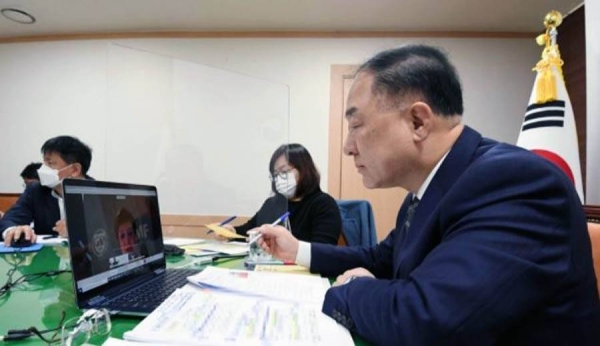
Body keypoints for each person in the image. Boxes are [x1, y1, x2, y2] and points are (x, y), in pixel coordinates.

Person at [256, 45, 600, 344]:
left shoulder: (517, 182)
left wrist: (349, 291)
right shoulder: (426, 191)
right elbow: (382, 259)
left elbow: (429, 322)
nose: (347, 147)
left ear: (418, 121)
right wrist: (296, 250)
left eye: (356, 126)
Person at [233, 143, 341, 245]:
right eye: (275, 175)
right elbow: (248, 230)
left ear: (304, 170)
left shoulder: (323, 204)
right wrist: (231, 231)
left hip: (302, 265)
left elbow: (323, 250)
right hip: (268, 263)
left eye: (284, 172)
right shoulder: (272, 203)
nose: (279, 179)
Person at [1, 136, 93, 246]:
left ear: (74, 170)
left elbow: (111, 232)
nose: (42, 170)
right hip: (46, 258)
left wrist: (81, 231)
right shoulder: (35, 190)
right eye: (44, 163)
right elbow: (10, 219)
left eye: (50, 163)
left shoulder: (98, 193)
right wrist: (13, 231)